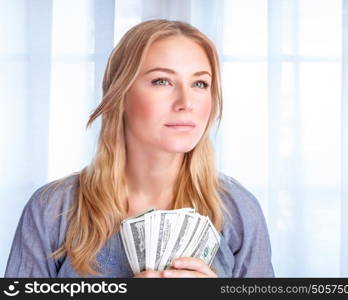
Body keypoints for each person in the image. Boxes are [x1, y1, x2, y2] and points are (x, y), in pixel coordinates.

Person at [4, 19, 274, 278]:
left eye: (200, 84)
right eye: (162, 81)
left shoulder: (238, 210)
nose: (186, 102)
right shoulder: (53, 209)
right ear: (120, 95)